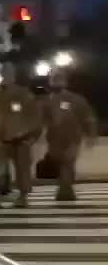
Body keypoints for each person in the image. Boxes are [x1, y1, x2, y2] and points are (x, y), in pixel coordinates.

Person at [0, 62, 42, 208]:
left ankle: (22, 196)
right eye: (5, 72)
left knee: (22, 169)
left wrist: (32, 136)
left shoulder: (24, 94)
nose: (7, 75)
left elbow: (35, 116)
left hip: (21, 139)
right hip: (2, 139)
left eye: (10, 72)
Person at [40, 68, 96, 201]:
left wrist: (91, 135)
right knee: (61, 164)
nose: (56, 81)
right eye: (54, 78)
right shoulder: (46, 101)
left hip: (72, 138)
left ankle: (65, 189)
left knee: (68, 162)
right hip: (54, 140)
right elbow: (40, 120)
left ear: (65, 81)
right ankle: (66, 187)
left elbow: (89, 118)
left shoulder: (76, 99)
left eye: (59, 78)